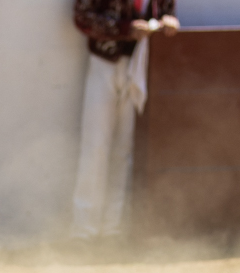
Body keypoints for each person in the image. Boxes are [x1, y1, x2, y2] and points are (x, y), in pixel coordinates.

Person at [70, 0, 179, 239]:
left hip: (139, 63)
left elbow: (165, 9)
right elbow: (83, 16)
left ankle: (113, 229)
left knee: (124, 149)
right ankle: (83, 231)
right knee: (95, 146)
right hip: (104, 62)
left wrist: (167, 20)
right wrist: (125, 29)